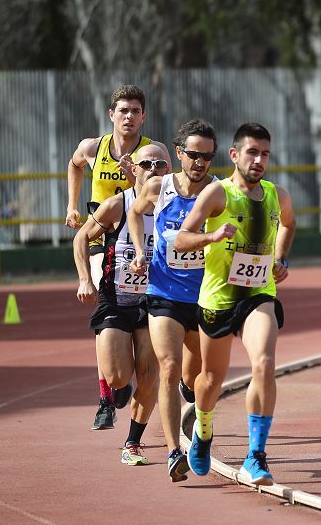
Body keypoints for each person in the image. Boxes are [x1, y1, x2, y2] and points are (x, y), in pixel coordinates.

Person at [174, 123, 295, 486]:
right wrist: (213, 235)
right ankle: (204, 428)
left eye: (265, 154)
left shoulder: (279, 196)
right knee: (210, 380)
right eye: (252, 153)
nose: (259, 161)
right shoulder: (217, 194)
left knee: (264, 363)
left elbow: (288, 225)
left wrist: (281, 259)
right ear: (234, 155)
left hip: (259, 293)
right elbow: (181, 240)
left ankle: (255, 456)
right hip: (218, 298)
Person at [65, 83, 169, 430]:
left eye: (135, 111)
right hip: (104, 230)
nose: (129, 117)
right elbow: (74, 165)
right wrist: (71, 204)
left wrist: (137, 176)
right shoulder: (93, 147)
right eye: (123, 111)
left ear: (144, 116)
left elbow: (153, 188)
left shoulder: (151, 154)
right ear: (112, 115)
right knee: (105, 292)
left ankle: (134, 370)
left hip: (137, 222)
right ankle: (106, 397)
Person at [127, 119, 219, 483]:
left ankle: (191, 404)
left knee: (198, 378)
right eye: (193, 154)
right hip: (164, 292)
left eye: (207, 157)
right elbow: (134, 212)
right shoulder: (159, 187)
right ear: (179, 153)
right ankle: (172, 451)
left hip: (204, 296)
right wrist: (139, 250)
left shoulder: (219, 192)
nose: (199, 162)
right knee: (167, 366)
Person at [73, 144, 170, 465]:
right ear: (134, 170)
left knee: (149, 374)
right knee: (118, 378)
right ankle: (115, 389)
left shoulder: (179, 207)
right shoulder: (118, 204)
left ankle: (133, 443)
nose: (154, 169)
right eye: (147, 164)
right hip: (116, 300)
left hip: (154, 302)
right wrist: (85, 278)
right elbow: (81, 238)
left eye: (161, 164)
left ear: (170, 170)